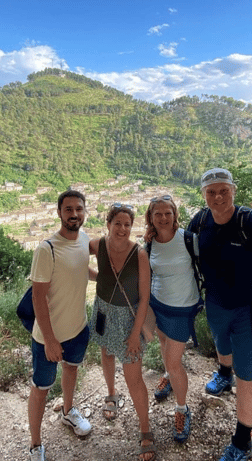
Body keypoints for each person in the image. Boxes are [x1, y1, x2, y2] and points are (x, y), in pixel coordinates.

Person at [188, 168, 252, 461]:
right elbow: (181, 250)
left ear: (234, 190)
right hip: (215, 303)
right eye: (211, 192)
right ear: (203, 194)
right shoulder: (200, 221)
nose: (218, 197)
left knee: (249, 374)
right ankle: (224, 374)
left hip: (249, 310)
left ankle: (242, 441)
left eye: (223, 190)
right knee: (221, 344)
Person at [27, 190, 94, 461]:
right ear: (59, 213)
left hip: (78, 328)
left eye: (79, 209)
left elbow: (80, 269)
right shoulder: (47, 249)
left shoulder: (84, 240)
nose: (74, 214)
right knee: (41, 389)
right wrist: (51, 340)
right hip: (48, 337)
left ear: (84, 212)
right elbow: (38, 297)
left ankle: (68, 412)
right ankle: (35, 444)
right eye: (69, 209)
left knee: (71, 371)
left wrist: (105, 280)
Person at [89, 203, 156, 461]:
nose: (122, 228)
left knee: (134, 376)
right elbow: (73, 254)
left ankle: (145, 428)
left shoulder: (138, 255)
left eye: (127, 224)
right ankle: (110, 395)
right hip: (103, 310)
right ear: (108, 224)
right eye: (118, 223)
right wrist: (98, 278)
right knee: (106, 353)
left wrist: (134, 334)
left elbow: (144, 297)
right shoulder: (98, 245)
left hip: (129, 318)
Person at [143, 195, 201, 443]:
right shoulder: (149, 244)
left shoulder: (188, 240)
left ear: (175, 215)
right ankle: (167, 375)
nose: (164, 218)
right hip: (158, 305)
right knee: (164, 344)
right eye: (158, 214)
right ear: (151, 218)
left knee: (175, 362)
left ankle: (182, 408)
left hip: (182, 308)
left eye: (168, 213)